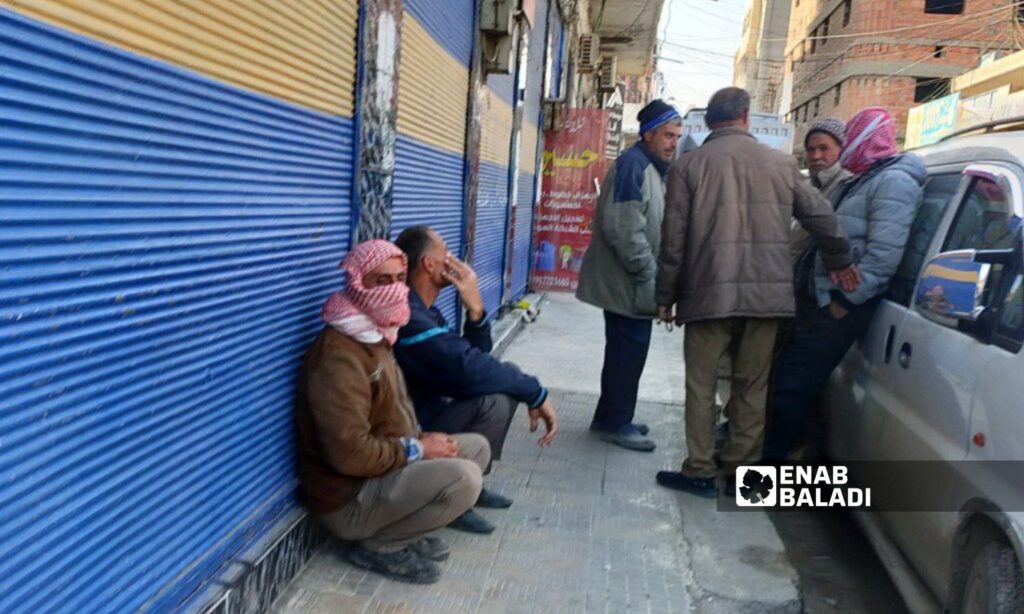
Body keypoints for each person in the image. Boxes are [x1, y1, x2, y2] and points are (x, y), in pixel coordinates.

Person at [654, 87, 859, 498]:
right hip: (767, 300)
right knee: (752, 386)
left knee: (701, 385)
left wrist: (666, 295)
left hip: (706, 296)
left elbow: (673, 239)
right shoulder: (782, 165)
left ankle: (698, 470)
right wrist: (840, 260)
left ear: (710, 121)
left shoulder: (688, 166)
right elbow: (823, 217)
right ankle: (739, 473)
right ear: (746, 117)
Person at [294, 240, 490, 585]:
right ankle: (380, 544)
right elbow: (350, 454)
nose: (394, 289)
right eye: (381, 280)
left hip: (382, 469)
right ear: (357, 283)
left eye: (400, 279)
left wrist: (419, 439)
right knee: (464, 479)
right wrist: (416, 449)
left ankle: (400, 528)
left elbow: (387, 419)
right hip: (348, 498)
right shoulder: (339, 356)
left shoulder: (375, 333)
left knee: (475, 448)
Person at [763, 107, 926, 463]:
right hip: (819, 298)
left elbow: (883, 256)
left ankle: (764, 475)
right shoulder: (868, 177)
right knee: (791, 386)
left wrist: (844, 302)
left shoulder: (893, 182)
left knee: (792, 388)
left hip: (837, 307)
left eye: (852, 137)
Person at [393, 226, 558, 534]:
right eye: (446, 254)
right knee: (495, 398)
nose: (454, 261)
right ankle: (452, 497)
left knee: (501, 384)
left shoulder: (425, 311)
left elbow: (474, 361)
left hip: (428, 415)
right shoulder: (409, 317)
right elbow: (469, 370)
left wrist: (476, 309)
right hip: (409, 436)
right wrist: (535, 392)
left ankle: (470, 484)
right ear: (429, 264)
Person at [576, 99, 682, 452]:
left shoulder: (650, 168)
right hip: (628, 284)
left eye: (677, 136)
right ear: (649, 134)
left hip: (631, 285)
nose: (673, 142)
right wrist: (650, 276)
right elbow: (623, 230)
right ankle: (616, 423)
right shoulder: (632, 167)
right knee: (627, 355)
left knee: (624, 354)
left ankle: (610, 417)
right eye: (668, 135)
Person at [791, 118, 853, 263]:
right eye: (811, 149)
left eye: (824, 148)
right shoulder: (806, 184)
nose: (816, 156)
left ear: (841, 149)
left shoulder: (848, 186)